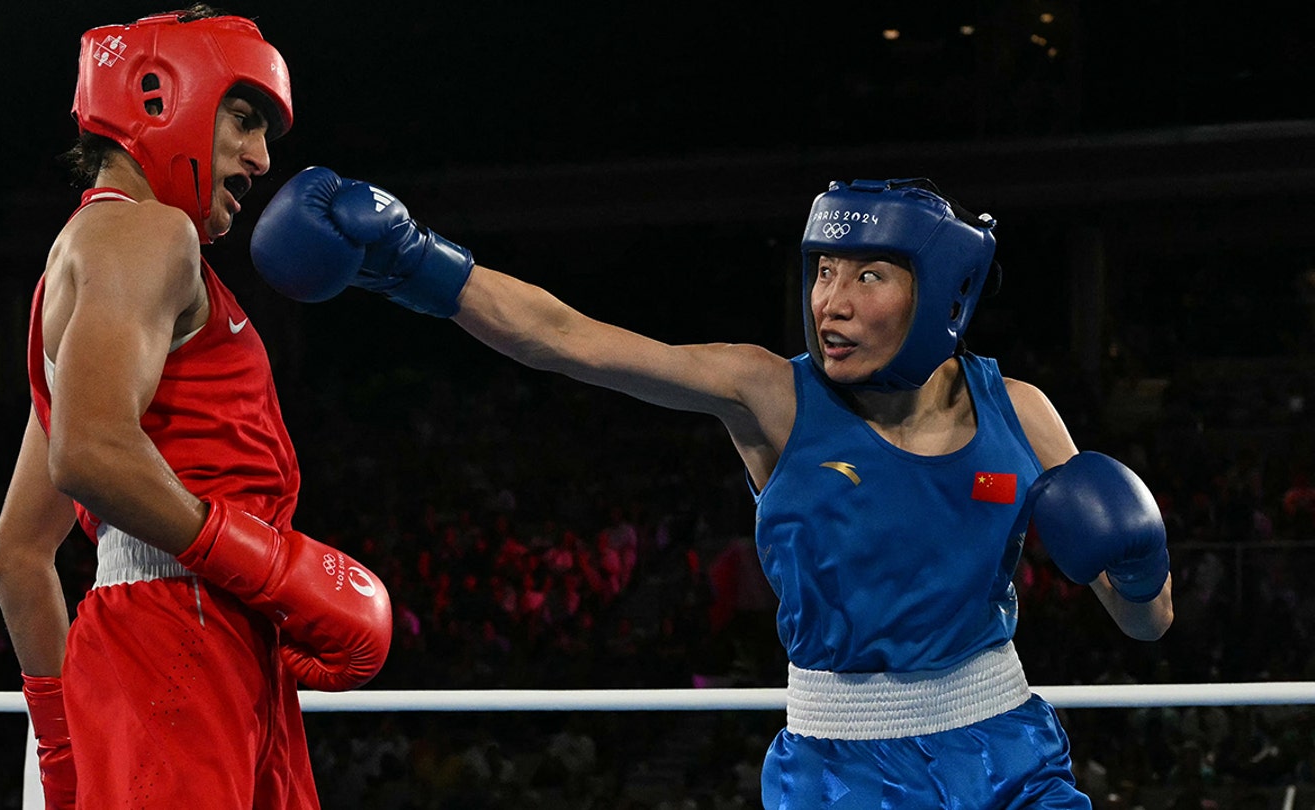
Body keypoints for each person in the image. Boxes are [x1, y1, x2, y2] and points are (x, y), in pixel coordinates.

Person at [249, 169, 1175, 807]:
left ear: (942, 296)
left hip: (1007, 747)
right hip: (843, 770)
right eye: (822, 269)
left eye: (869, 274)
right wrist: (416, 260)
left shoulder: (1023, 415)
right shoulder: (770, 394)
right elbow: (572, 340)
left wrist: (1136, 571)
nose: (832, 301)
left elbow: (1149, 624)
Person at [0, 11, 393, 809]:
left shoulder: (95, 266)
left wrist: (65, 748)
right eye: (244, 120)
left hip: (192, 632)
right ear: (158, 94)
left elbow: (18, 555)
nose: (262, 159)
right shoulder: (147, 233)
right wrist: (276, 568)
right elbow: (92, 453)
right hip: (182, 630)